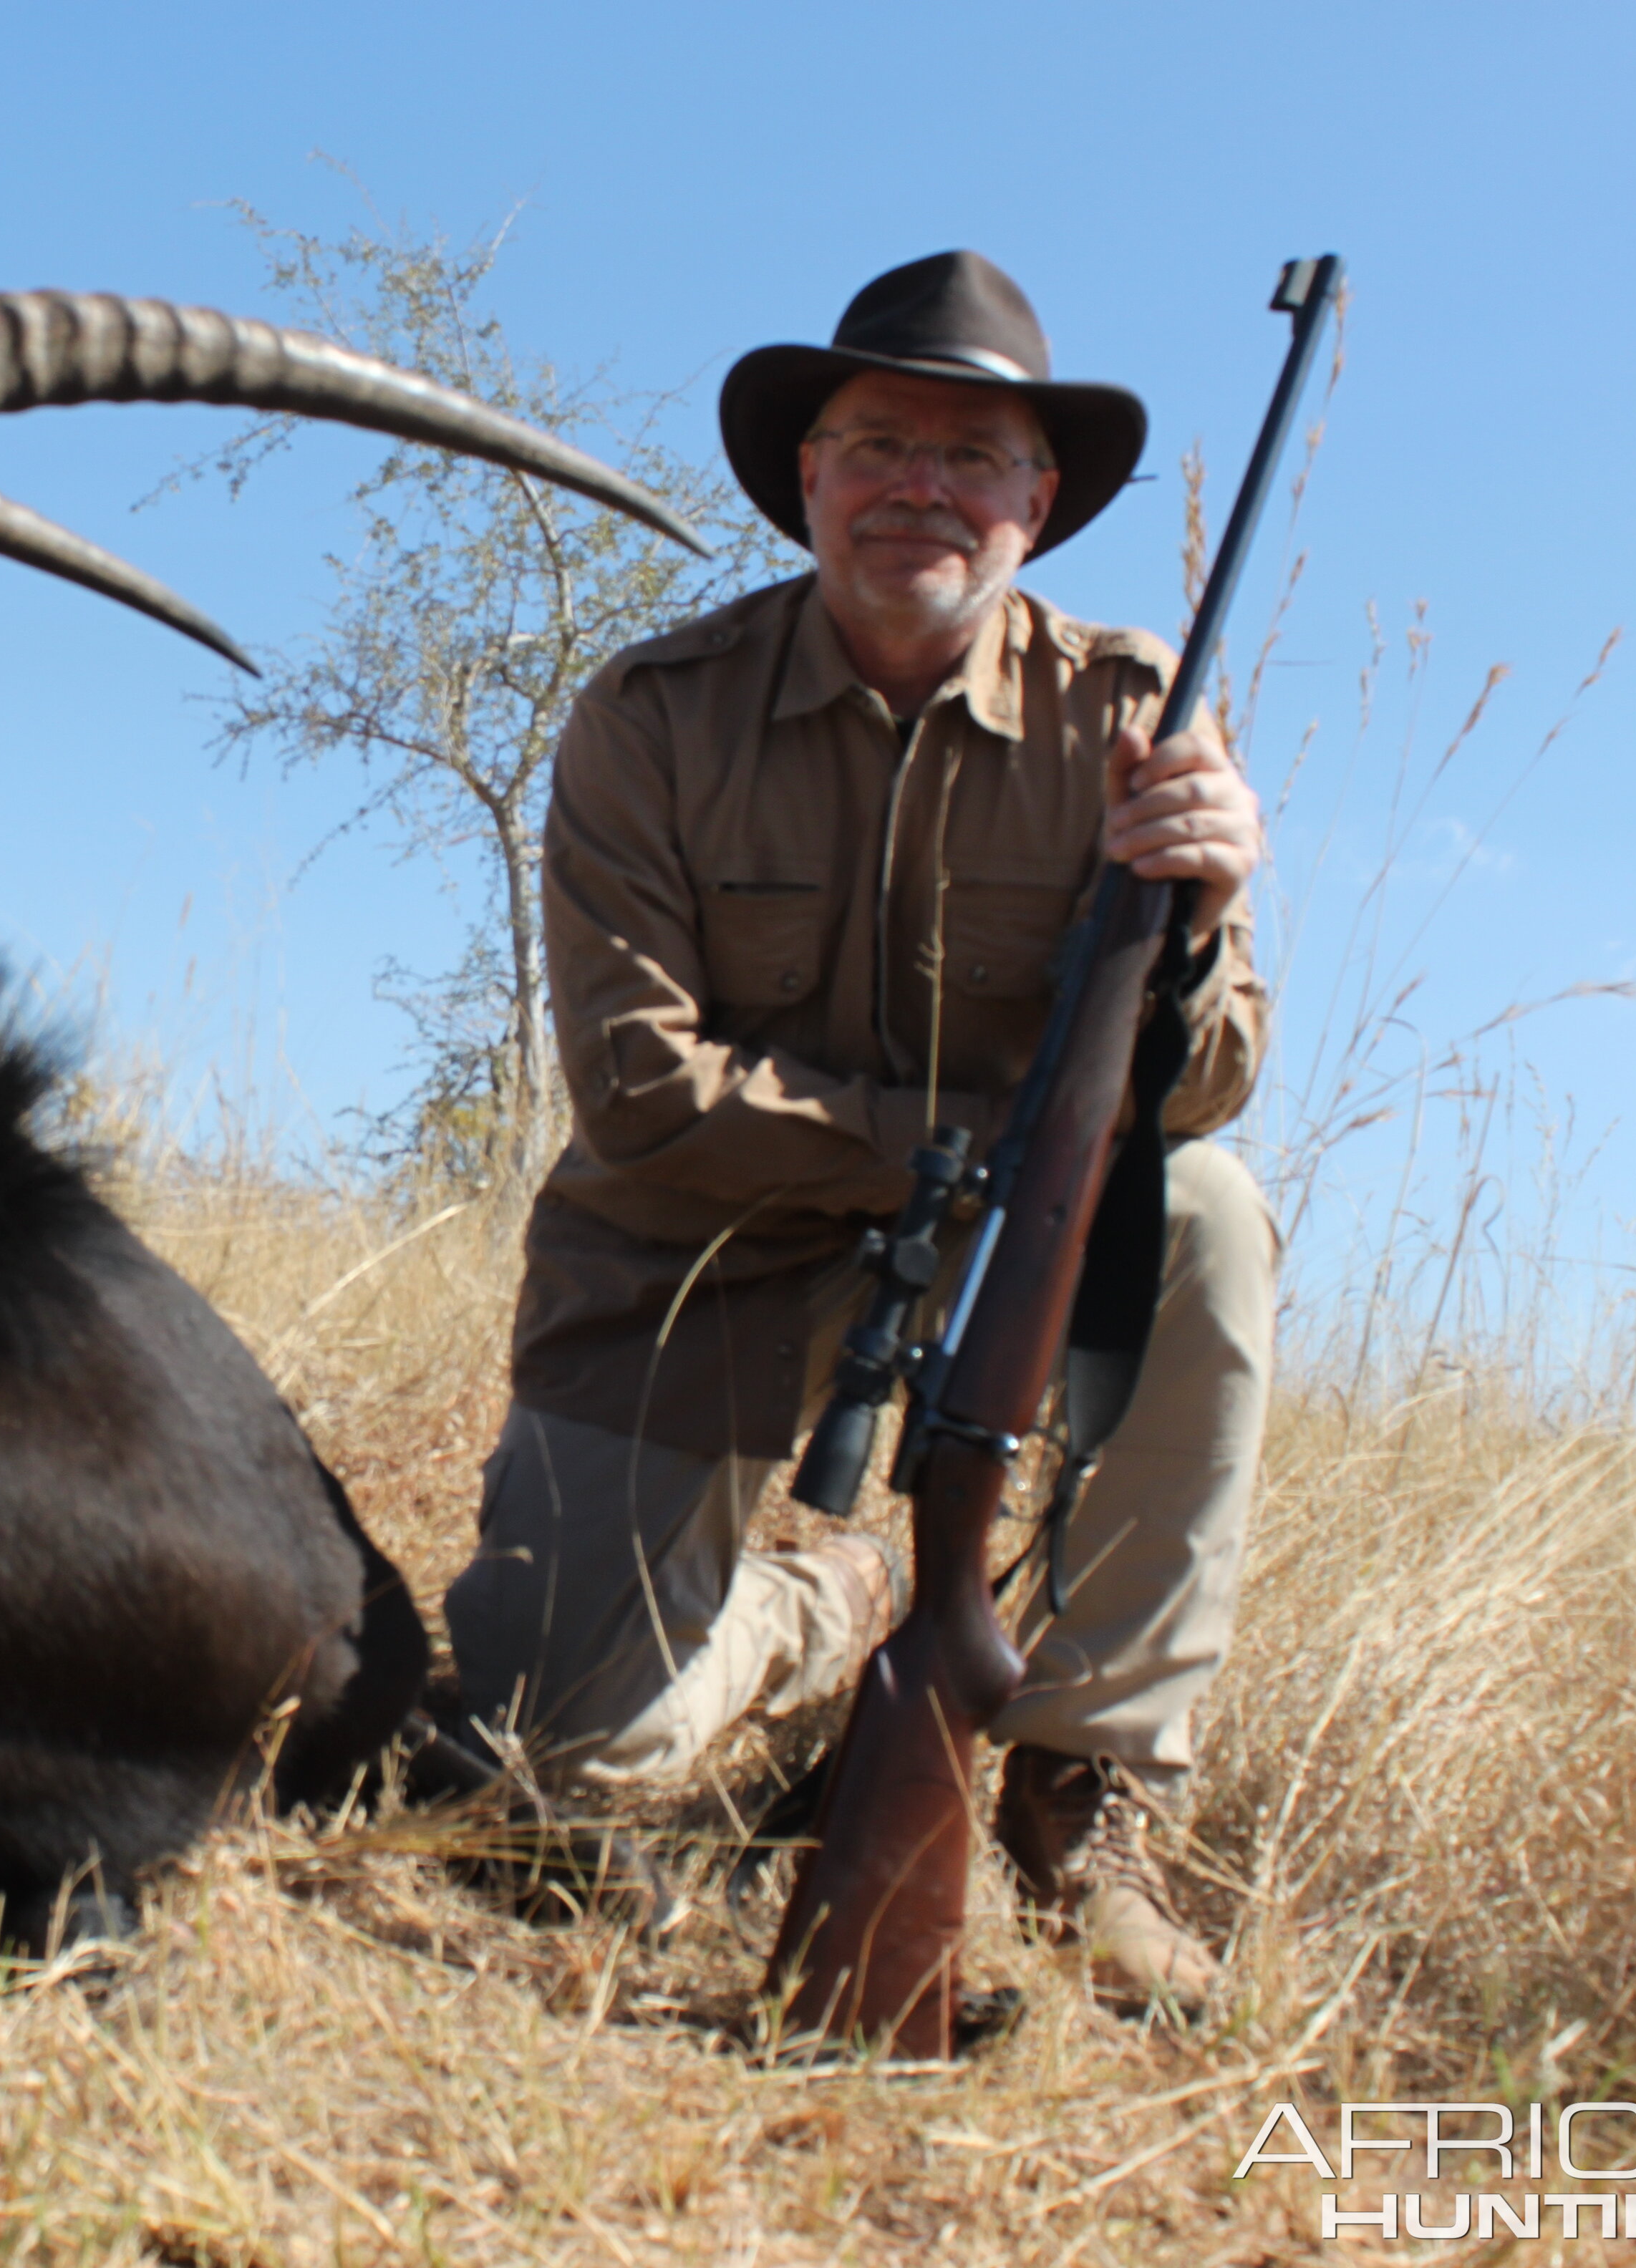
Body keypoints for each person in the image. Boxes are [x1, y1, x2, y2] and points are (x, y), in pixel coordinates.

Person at [440, 249, 1273, 2005]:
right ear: (805, 476)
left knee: (1204, 1216)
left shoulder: (1136, 718)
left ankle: (1081, 1789)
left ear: (1038, 505)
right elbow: (645, 1101)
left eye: (974, 458)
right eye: (879, 440)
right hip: (690, 1257)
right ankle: (830, 1605)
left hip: (998, 1261)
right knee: (542, 1774)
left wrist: (1194, 922)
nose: (923, 486)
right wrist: (974, 1139)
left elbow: (1199, 1091)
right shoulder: (649, 718)